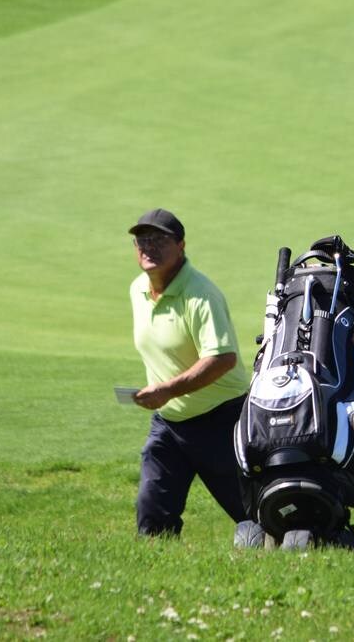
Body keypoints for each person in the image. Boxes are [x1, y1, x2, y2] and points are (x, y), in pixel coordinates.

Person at [127, 208, 250, 536]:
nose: (148, 247)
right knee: (152, 513)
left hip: (223, 421)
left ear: (181, 246)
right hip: (168, 424)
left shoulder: (200, 294)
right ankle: (156, 574)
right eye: (142, 240)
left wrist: (168, 389)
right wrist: (165, 395)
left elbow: (223, 358)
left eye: (159, 240)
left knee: (252, 514)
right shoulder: (138, 290)